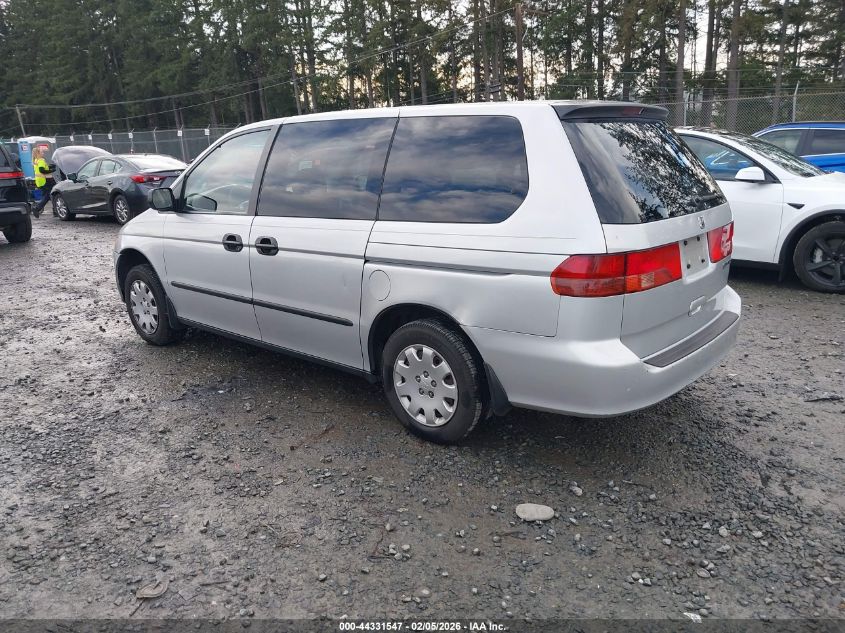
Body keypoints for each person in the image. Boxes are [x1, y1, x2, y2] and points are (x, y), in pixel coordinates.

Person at [31, 146, 55, 218]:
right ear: (38, 153)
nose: (43, 153)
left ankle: (55, 210)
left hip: (40, 181)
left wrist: (49, 167)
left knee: (47, 196)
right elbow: (42, 170)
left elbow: (41, 169)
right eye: (42, 152)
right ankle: (37, 208)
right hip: (46, 180)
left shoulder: (36, 160)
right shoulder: (41, 160)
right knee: (52, 195)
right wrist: (52, 170)